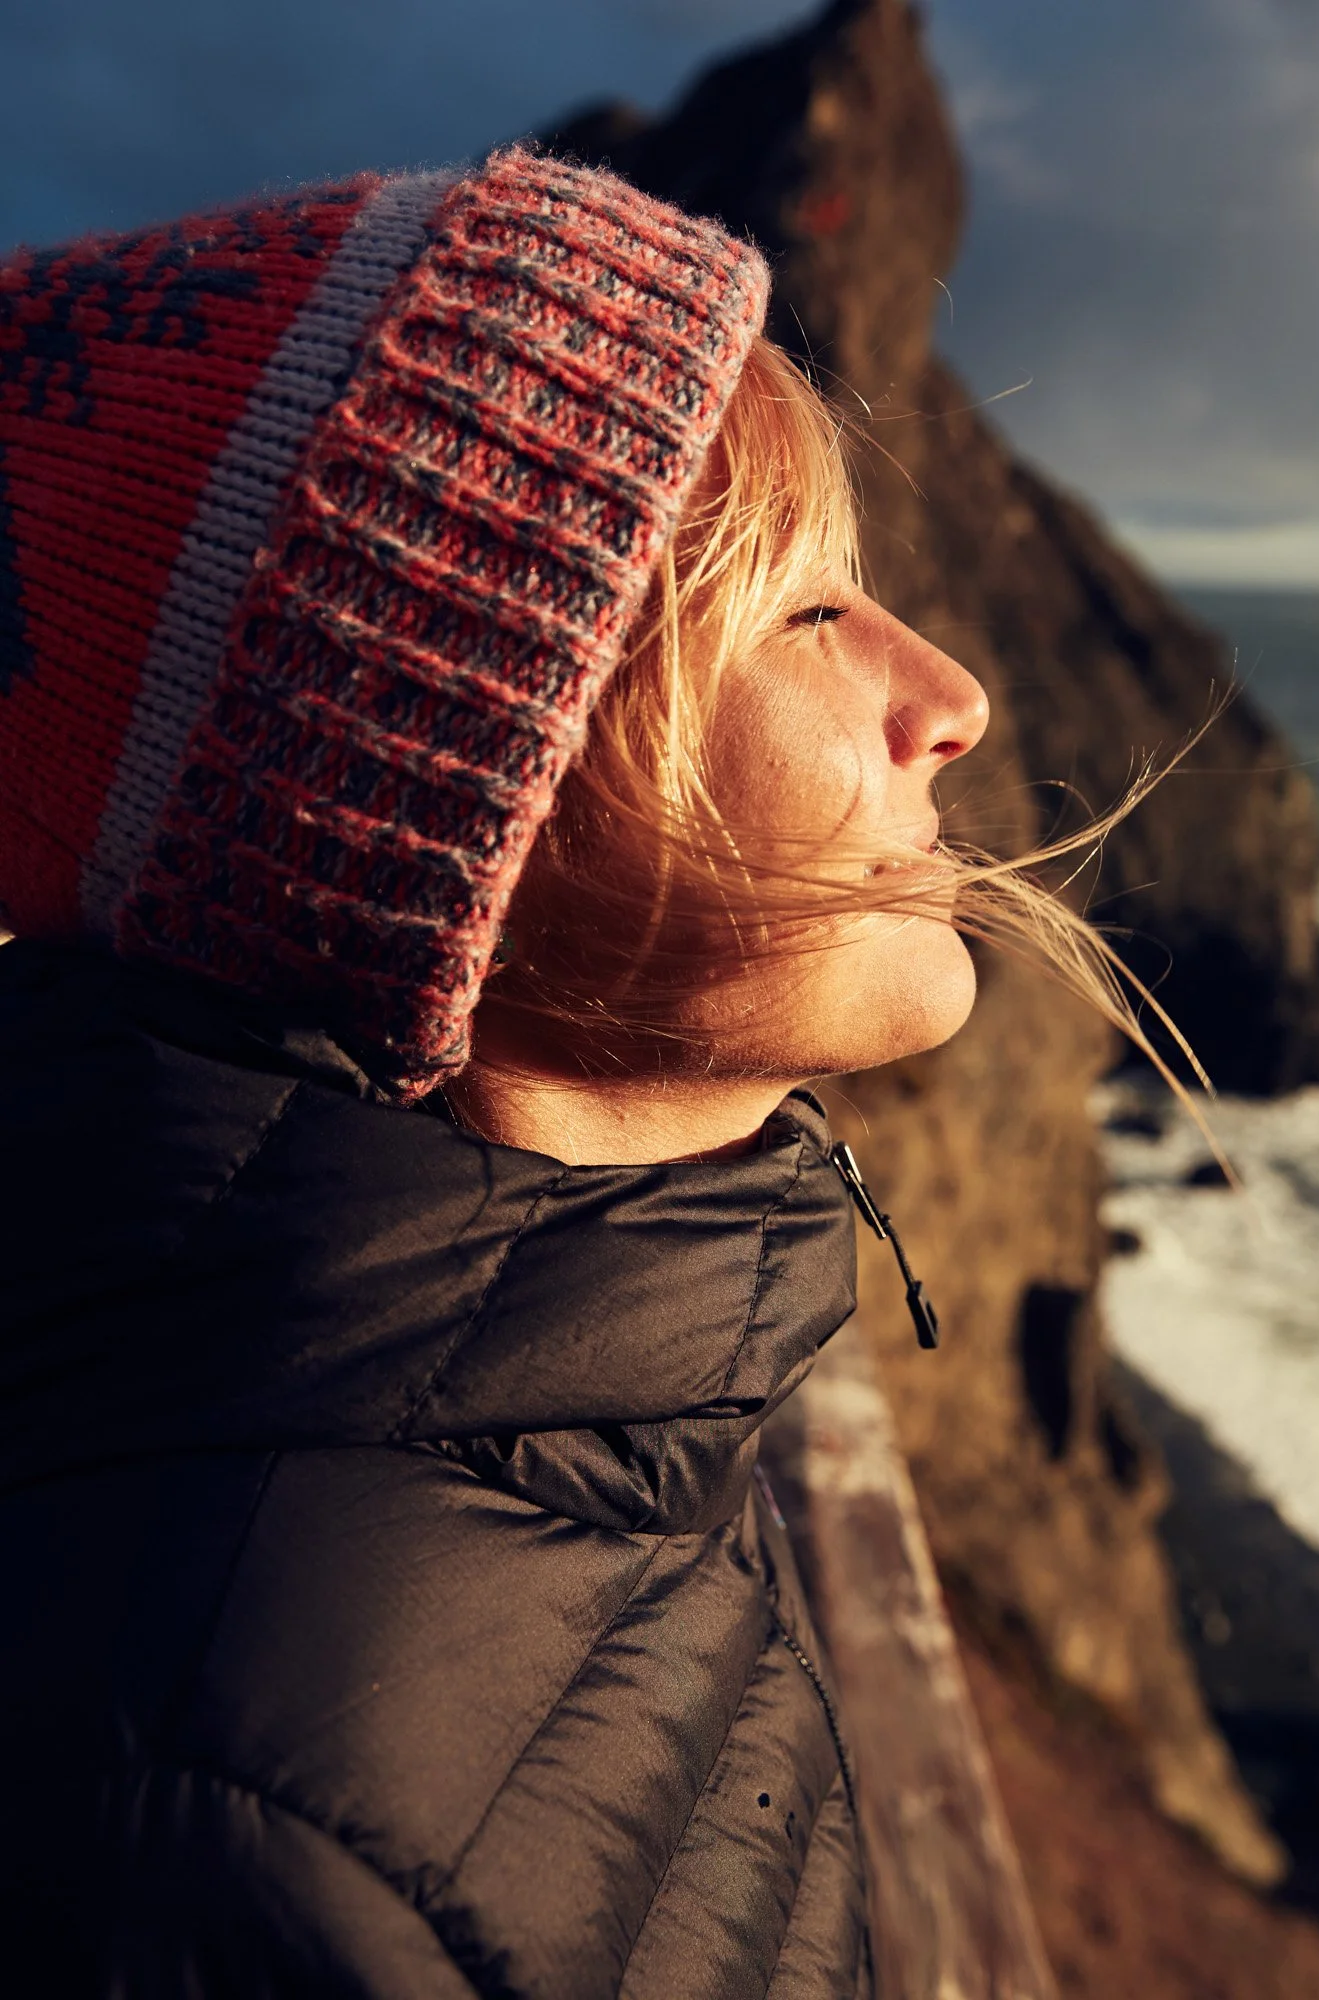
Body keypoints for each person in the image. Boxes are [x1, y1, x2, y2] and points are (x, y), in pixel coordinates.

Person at [0, 147, 1161, 1996]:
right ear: (433, 808)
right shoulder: (224, 1820)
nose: (950, 694)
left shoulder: (581, 1398)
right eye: (803, 611)